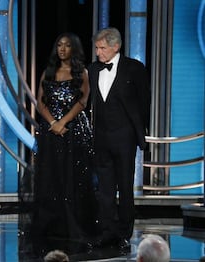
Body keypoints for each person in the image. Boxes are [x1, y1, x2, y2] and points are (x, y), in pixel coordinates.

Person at [31, 32, 97, 250]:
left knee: (73, 179)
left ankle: (74, 227)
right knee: (51, 178)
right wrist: (52, 122)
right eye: (59, 45)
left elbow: (83, 101)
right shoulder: (48, 72)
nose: (62, 49)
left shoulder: (81, 73)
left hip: (73, 132)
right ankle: (52, 227)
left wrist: (63, 122)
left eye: (67, 46)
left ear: (73, 49)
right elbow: (41, 102)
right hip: (51, 134)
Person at [88, 27, 151, 252]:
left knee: (125, 188)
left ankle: (124, 234)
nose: (98, 52)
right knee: (104, 190)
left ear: (116, 47)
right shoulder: (94, 69)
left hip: (124, 139)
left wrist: (138, 135)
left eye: (102, 48)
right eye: (96, 48)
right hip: (101, 138)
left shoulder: (134, 68)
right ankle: (107, 233)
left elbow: (144, 104)